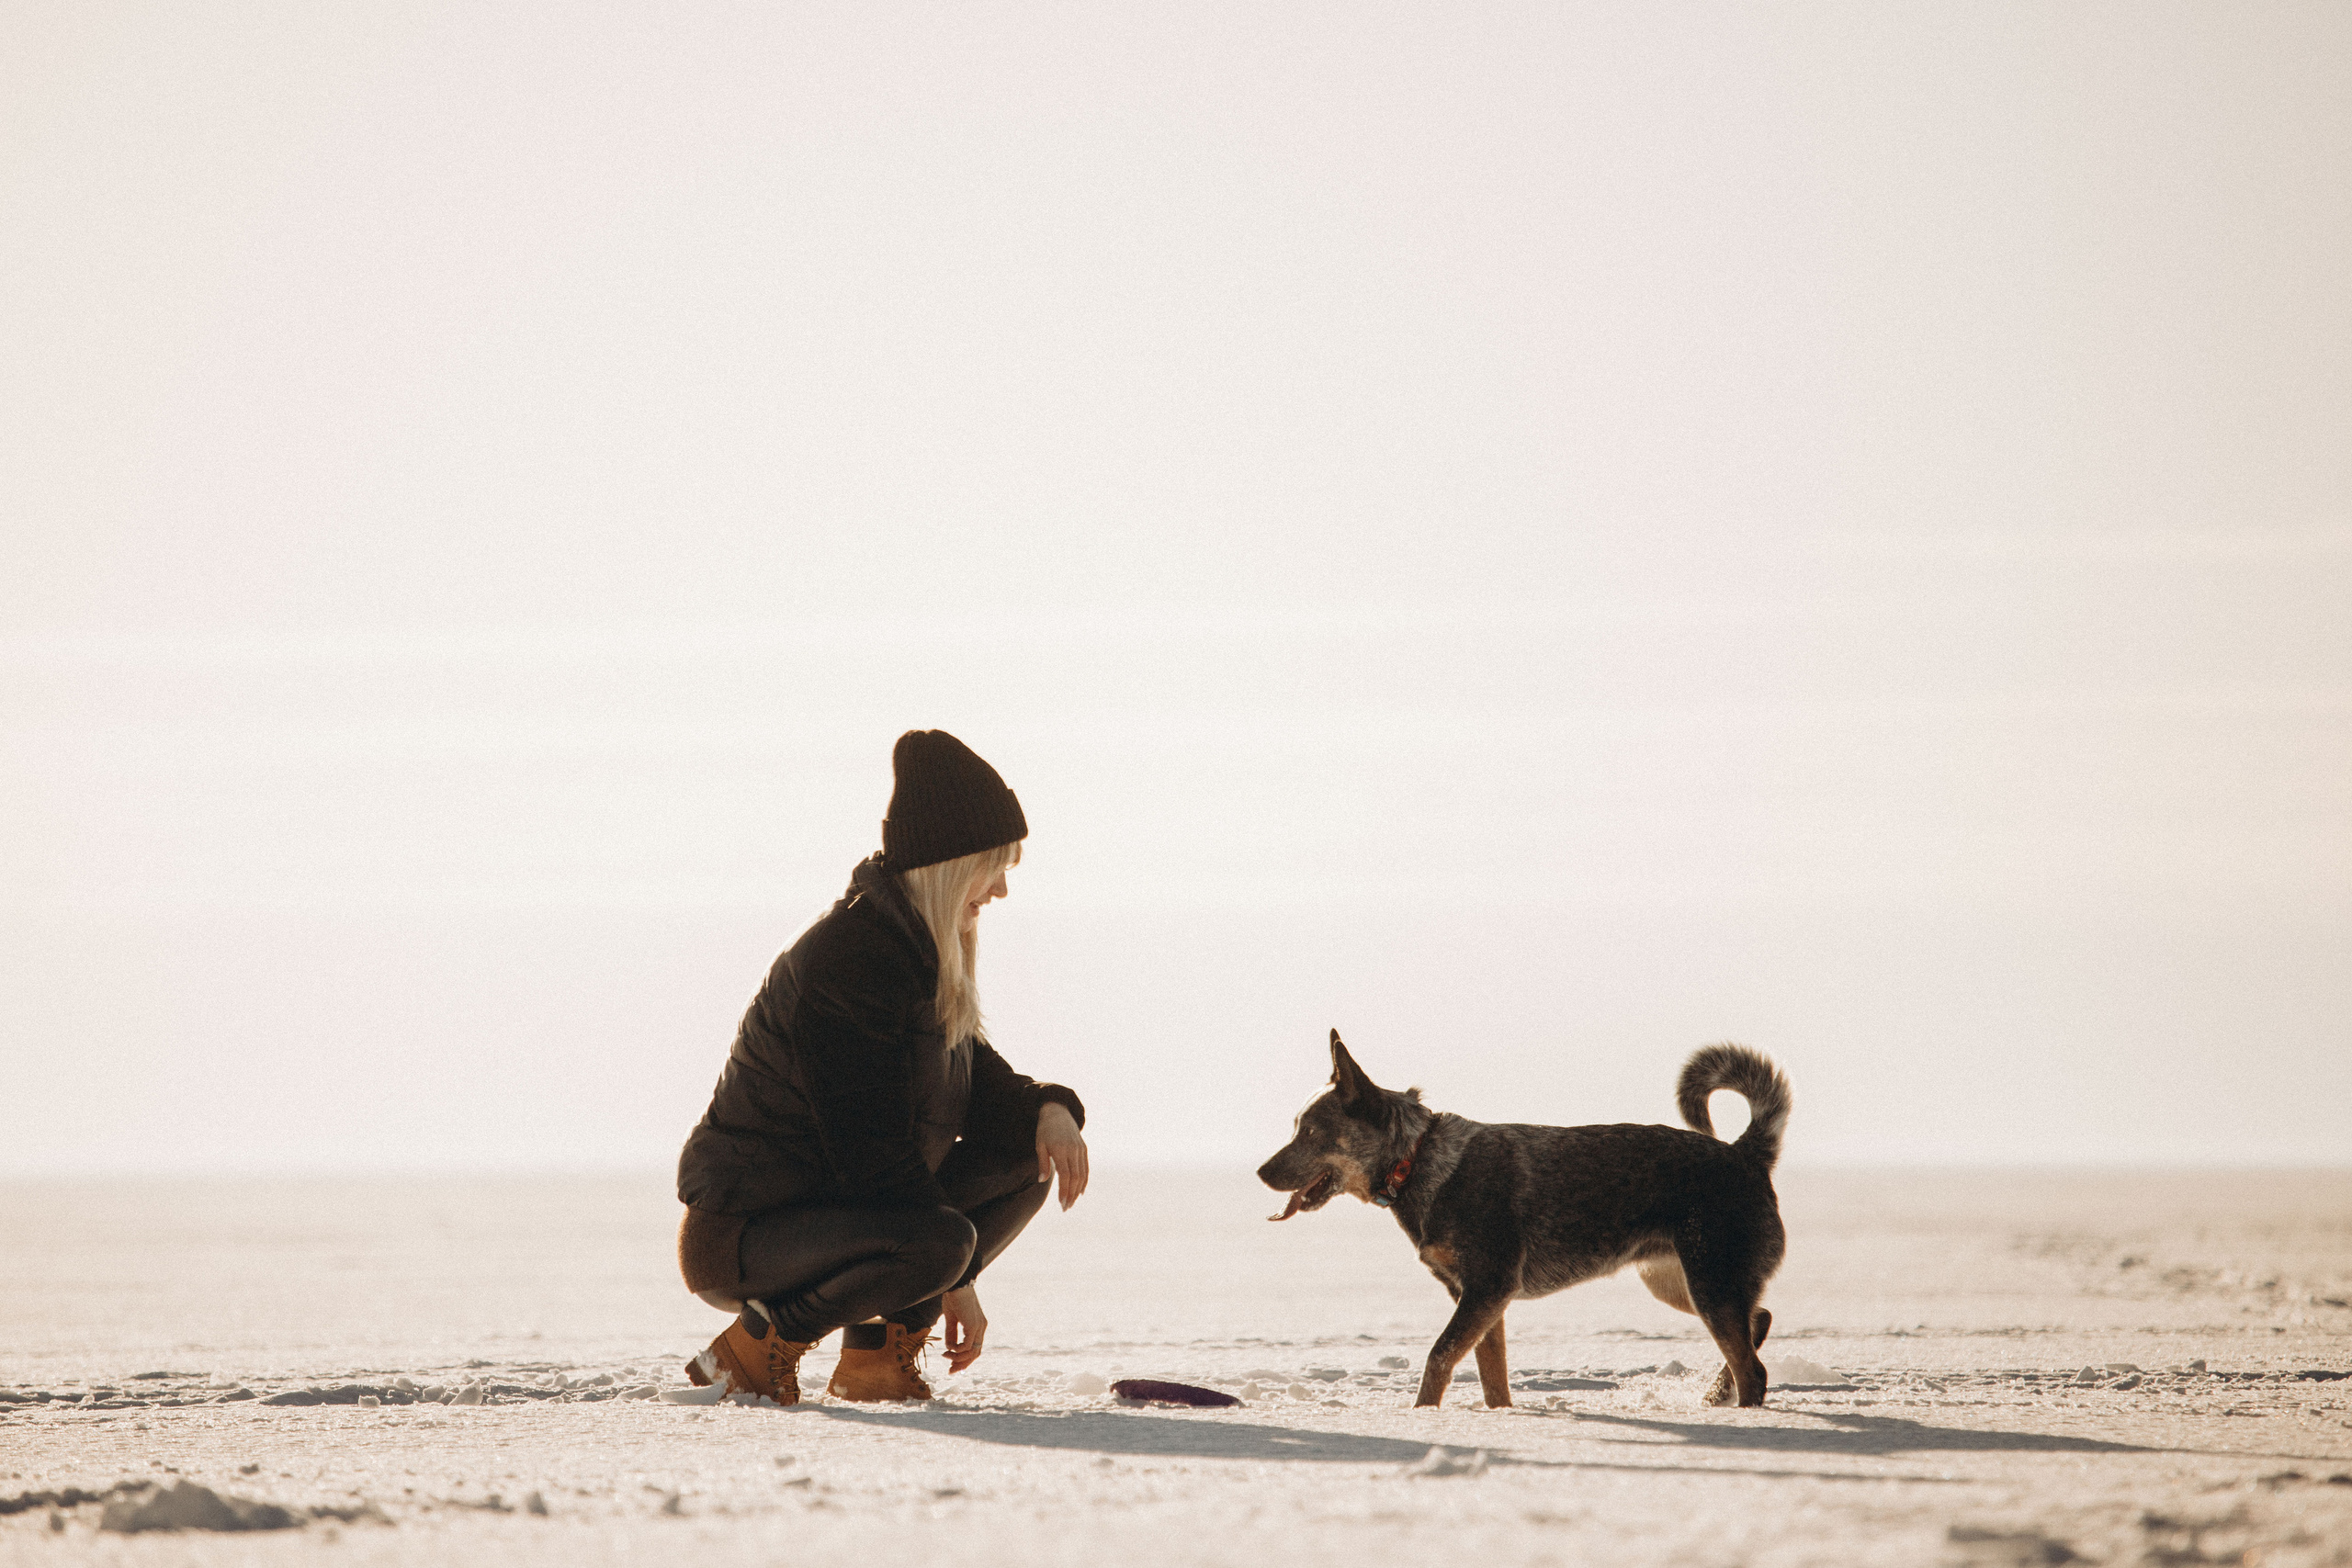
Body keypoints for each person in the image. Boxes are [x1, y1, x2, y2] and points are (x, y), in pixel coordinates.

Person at [673, 730, 1089, 1403]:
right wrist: (957, 1278)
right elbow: (870, 1158)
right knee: (941, 1241)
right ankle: (758, 1342)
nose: (1003, 889)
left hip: (836, 1215)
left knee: (1025, 1158)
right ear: (950, 863)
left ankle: (874, 1360)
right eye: (994, 864)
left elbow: (983, 1085)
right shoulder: (850, 961)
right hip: (748, 1232)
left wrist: (1051, 1109)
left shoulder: (918, 958)